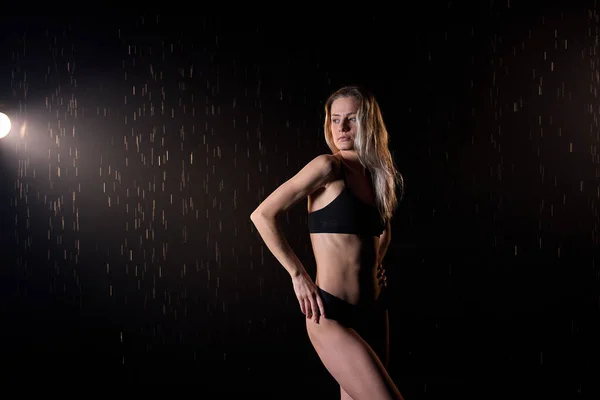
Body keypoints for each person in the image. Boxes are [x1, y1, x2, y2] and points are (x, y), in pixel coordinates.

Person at [250, 85, 405, 399]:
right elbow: (263, 215)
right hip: (330, 313)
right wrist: (298, 275)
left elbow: (382, 230)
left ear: (370, 124)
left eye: (351, 119)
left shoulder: (379, 178)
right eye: (335, 120)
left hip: (374, 312)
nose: (342, 128)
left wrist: (378, 262)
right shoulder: (328, 167)